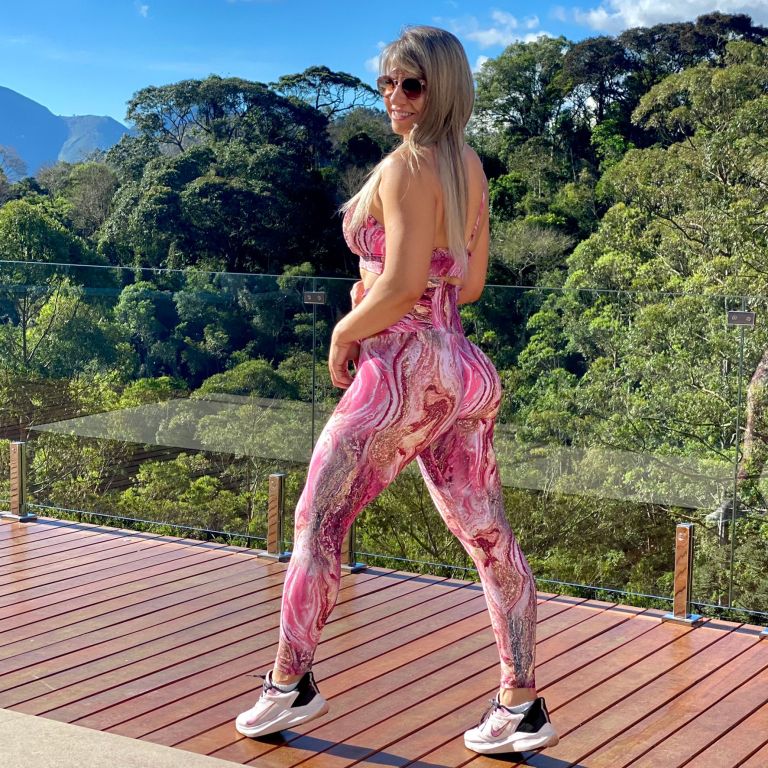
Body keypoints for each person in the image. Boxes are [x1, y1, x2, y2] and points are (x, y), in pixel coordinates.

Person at [235, 25, 559, 755]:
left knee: (317, 521)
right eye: (386, 82)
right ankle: (521, 704)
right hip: (462, 369)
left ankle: (288, 684)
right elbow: (467, 285)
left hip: (402, 372)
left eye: (411, 84)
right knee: (489, 538)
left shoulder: (406, 166)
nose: (395, 96)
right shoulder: (466, 165)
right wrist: (393, 299)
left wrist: (345, 330)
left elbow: (404, 285)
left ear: (443, 88)